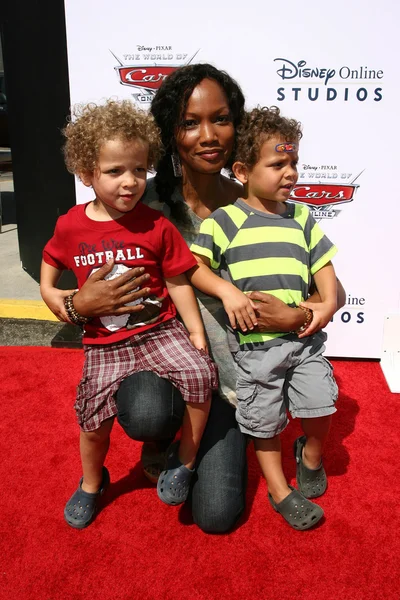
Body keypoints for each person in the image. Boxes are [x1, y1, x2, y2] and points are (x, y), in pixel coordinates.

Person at [44, 64, 345, 533]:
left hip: (238, 375)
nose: (207, 135)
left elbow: (319, 286)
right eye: (189, 122)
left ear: (237, 127)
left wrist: (303, 314)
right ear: (169, 132)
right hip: (164, 359)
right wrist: (77, 307)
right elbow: (69, 271)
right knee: (145, 413)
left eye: (220, 119)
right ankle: (161, 434)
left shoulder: (262, 202)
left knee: (216, 517)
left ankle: (232, 428)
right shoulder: (141, 203)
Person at [40, 99, 218, 529]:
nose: (130, 182)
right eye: (115, 171)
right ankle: (90, 482)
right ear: (87, 173)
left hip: (160, 331)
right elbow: (49, 268)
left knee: (201, 376)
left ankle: (186, 462)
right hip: (104, 342)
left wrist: (195, 331)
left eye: (139, 170)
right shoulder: (70, 225)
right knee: (92, 417)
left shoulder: (156, 225)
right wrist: (59, 298)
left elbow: (178, 281)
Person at [190, 106, 339, 530]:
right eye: (278, 164)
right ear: (242, 170)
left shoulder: (304, 218)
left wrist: (325, 306)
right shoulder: (224, 221)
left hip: (305, 342)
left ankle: (310, 455)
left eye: (294, 163)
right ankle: (279, 490)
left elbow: (325, 271)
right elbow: (194, 267)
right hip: (255, 352)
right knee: (265, 420)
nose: (290, 173)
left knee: (322, 405)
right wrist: (227, 290)